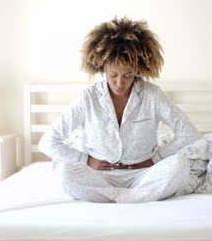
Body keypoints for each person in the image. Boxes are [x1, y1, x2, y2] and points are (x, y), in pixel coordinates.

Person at [38, 17, 200, 203]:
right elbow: (48, 141)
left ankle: (115, 198)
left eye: (128, 75)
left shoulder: (152, 95)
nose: (119, 83)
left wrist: (158, 158)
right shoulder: (88, 98)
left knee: (181, 165)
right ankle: (135, 198)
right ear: (102, 68)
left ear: (137, 70)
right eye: (113, 75)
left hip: (143, 175)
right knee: (64, 173)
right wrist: (85, 159)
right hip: (99, 176)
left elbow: (189, 132)